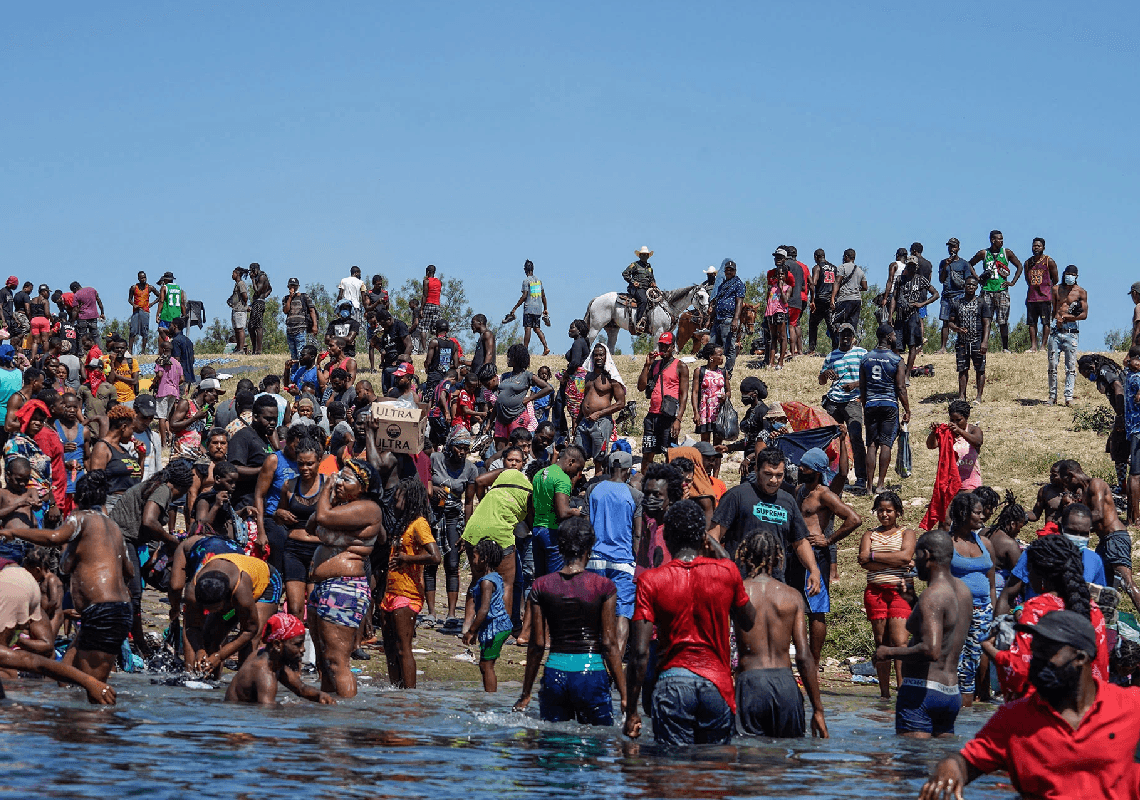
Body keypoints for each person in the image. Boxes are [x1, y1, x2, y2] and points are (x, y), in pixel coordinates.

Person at [919, 610, 1140, 800]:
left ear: (1080, 657)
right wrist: (950, 767)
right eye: (1035, 654)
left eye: (1046, 654)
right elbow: (967, 762)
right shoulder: (1014, 719)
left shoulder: (1132, 707)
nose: (1035, 663)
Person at [623, 500, 756, 744]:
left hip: (672, 684)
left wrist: (632, 710)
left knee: (672, 762)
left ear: (667, 537)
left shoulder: (651, 580)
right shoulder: (727, 572)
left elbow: (640, 653)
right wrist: (721, 554)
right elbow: (748, 621)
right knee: (714, 762)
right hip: (716, 685)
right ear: (703, 537)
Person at [1, 470, 132, 682]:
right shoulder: (113, 527)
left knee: (93, 686)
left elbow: (54, 537)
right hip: (116, 610)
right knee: (64, 679)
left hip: (102, 612)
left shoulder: (80, 517)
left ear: (78, 498)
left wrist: (14, 532)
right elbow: (130, 571)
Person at [514, 516, 626, 724]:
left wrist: (526, 693)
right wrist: (625, 695)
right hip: (592, 675)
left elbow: (537, 644)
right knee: (597, 740)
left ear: (560, 547)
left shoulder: (542, 585)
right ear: (589, 549)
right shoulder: (603, 586)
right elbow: (609, 644)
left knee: (554, 741)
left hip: (555, 673)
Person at [985, 534, 1110, 703]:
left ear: (1041, 576)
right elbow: (1101, 669)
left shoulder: (1036, 610)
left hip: (1045, 709)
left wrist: (993, 652)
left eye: (1029, 571)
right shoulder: (1094, 610)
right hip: (1089, 707)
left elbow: (1020, 673)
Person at [875, 530, 972, 738]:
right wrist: (913, 602)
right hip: (951, 693)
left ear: (926, 555)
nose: (913, 563)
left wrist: (887, 652)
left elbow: (931, 650)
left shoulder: (933, 595)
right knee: (942, 757)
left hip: (921, 691)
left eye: (916, 555)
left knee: (914, 758)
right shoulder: (963, 591)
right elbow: (944, 629)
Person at [735, 529, 828, 738]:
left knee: (748, 754)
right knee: (788, 753)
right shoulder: (792, 596)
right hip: (786, 685)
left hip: (751, 683)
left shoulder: (738, 592)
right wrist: (818, 709)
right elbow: (803, 656)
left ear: (744, 557)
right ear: (778, 557)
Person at [307, 459, 383, 697]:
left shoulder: (368, 508)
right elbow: (311, 525)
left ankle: (347, 715)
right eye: (338, 477)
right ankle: (328, 710)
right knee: (323, 661)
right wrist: (332, 500)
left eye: (346, 479)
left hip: (344, 588)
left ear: (363, 487)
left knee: (337, 661)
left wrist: (326, 489)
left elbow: (321, 517)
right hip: (324, 587)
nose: (338, 482)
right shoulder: (341, 508)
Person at [709, 446, 822, 594]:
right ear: (756, 470)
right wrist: (721, 567)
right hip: (739, 583)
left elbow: (800, 541)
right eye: (768, 474)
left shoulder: (788, 501)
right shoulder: (737, 496)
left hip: (775, 584)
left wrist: (813, 570)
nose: (774, 480)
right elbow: (713, 535)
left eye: (779, 475)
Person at [796, 447, 861, 666]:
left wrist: (829, 540)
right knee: (797, 606)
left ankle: (814, 663)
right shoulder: (800, 490)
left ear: (816, 471)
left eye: (805, 467)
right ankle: (801, 657)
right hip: (797, 552)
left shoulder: (824, 494)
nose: (800, 469)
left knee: (816, 609)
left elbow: (854, 519)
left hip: (816, 554)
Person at [183, 548, 283, 677]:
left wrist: (219, 656)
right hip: (230, 579)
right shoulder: (192, 591)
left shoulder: (240, 592)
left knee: (251, 641)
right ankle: (212, 681)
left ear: (227, 600)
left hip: (267, 582)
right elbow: (191, 627)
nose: (211, 612)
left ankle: (245, 682)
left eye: (215, 608)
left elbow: (250, 630)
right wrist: (199, 650)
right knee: (210, 637)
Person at [1057, 460, 1140, 610]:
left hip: (1115, 537)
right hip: (1104, 541)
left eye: (1065, 481)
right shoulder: (1084, 492)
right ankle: (1105, 619)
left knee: (1126, 582)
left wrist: (1076, 521)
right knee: (1104, 588)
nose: (1066, 486)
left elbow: (1099, 513)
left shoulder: (1096, 484)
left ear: (1071, 475)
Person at [381, 478, 440, 689]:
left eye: (398, 499)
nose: (394, 503)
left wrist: (407, 559)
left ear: (409, 500)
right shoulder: (402, 524)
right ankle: (395, 692)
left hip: (408, 593)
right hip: (391, 592)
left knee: (403, 647)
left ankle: (409, 696)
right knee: (389, 648)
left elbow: (435, 556)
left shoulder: (419, 524)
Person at [858, 491, 917, 698]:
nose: (884, 514)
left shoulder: (907, 533)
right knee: (881, 643)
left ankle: (902, 691)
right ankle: (884, 695)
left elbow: (906, 556)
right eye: (880, 510)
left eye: (889, 511)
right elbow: (863, 560)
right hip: (875, 592)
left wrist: (874, 555)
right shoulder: (869, 534)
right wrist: (896, 560)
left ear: (898, 512)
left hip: (901, 592)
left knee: (900, 643)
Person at [945, 493, 996, 707]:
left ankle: (966, 711)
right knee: (954, 660)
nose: (982, 516)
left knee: (971, 663)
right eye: (977, 512)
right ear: (963, 513)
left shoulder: (984, 543)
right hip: (956, 610)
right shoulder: (947, 543)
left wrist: (993, 614)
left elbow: (991, 583)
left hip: (983, 611)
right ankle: (949, 709)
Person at [426, 428, 478, 629]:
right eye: (458, 447)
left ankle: (451, 614)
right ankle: (431, 613)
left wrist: (467, 531)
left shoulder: (470, 469)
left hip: (453, 518)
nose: (462, 452)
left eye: (465, 448)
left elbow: (469, 503)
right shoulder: (435, 459)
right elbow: (424, 481)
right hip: (433, 516)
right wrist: (433, 490)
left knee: (453, 564)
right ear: (450, 446)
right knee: (431, 563)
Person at [224, 612, 334, 705]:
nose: (303, 649)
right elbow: (267, 714)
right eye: (298, 644)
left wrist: (320, 695)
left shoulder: (269, 658)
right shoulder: (264, 674)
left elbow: (300, 688)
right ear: (277, 644)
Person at [820, 322, 869, 493]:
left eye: (849, 334)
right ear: (838, 336)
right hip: (833, 401)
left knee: (855, 437)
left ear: (853, 337)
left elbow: (870, 376)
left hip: (853, 401)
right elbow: (821, 380)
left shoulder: (862, 353)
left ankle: (861, 477)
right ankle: (835, 475)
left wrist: (855, 385)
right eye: (843, 334)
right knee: (831, 439)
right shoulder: (831, 356)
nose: (846, 337)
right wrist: (825, 374)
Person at [460, 538, 513, 692]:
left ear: (485, 559)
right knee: (486, 664)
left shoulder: (486, 582)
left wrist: (471, 631)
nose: (473, 560)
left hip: (496, 627)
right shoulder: (495, 576)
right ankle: (489, 696)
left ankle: (490, 699)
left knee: (486, 665)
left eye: (475, 557)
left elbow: (483, 610)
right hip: (495, 626)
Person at [636, 331, 688, 466]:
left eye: (666, 346)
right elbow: (640, 387)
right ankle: (646, 479)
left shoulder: (681, 366)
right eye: (661, 346)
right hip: (652, 417)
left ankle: (669, 479)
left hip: (669, 417)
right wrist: (647, 365)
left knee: (670, 455)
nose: (663, 348)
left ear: (673, 347)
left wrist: (678, 419)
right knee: (647, 455)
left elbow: (684, 395)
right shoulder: (654, 365)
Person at [968, 230, 1023, 353]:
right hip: (987, 290)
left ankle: (1005, 348)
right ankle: (983, 346)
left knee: (1003, 321)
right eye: (999, 239)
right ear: (993, 240)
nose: (1001, 241)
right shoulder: (984, 253)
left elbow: (1019, 266)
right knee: (985, 319)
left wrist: (1012, 282)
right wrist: (977, 278)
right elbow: (969, 264)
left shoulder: (1006, 252)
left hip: (1002, 290)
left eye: (1002, 239)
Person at [574, 342, 626, 467]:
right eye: (596, 355)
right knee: (578, 455)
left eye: (601, 355)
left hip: (602, 422)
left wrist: (599, 413)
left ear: (606, 357)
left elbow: (621, 403)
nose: (598, 358)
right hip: (585, 421)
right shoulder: (588, 376)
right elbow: (584, 399)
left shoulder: (611, 378)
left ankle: (598, 477)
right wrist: (577, 420)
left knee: (599, 459)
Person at [890, 255, 939, 379]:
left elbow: (935, 294)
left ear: (916, 267)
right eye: (909, 266)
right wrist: (890, 315)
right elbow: (894, 297)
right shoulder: (900, 279)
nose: (911, 268)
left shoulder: (921, 280)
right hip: (900, 316)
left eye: (913, 266)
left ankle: (907, 375)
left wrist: (922, 304)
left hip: (913, 315)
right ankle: (903, 368)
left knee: (912, 345)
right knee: (896, 345)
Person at [495, 343, 552, 447]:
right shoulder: (505, 376)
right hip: (501, 417)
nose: (508, 359)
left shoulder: (527, 375)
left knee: (517, 446)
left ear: (517, 359)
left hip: (517, 416)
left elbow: (548, 388)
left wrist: (530, 398)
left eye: (510, 357)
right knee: (500, 447)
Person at [925, 399, 984, 496]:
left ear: (966, 417)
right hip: (950, 483)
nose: (955, 423)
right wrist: (934, 432)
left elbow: (978, 442)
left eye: (958, 420)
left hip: (970, 482)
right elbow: (931, 445)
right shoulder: (947, 433)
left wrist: (960, 431)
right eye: (952, 420)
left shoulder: (973, 430)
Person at [1049, 264, 1087, 406]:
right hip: (1056, 330)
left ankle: (1068, 397)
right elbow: (1053, 309)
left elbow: (1084, 314)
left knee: (1070, 366)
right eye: (1067, 274)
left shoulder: (1081, 292)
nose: (1069, 277)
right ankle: (1052, 396)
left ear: (1076, 276)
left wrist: (1067, 317)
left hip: (1071, 331)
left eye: (1072, 275)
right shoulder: (1056, 289)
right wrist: (1054, 321)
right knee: (1052, 365)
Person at [934, 238, 976, 353]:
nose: (951, 249)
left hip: (959, 295)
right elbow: (941, 280)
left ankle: (962, 346)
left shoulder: (964, 263)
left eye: (954, 246)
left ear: (958, 248)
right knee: (945, 321)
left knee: (961, 321)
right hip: (947, 295)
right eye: (950, 247)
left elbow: (968, 280)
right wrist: (945, 266)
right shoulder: (943, 262)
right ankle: (943, 347)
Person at [1020, 237, 1059, 353]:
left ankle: (1043, 346)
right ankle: (1033, 346)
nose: (1036, 248)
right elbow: (1027, 279)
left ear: (1043, 248)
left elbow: (1055, 279)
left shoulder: (1048, 261)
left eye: (1038, 246)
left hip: (1045, 297)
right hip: (1032, 297)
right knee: (1032, 323)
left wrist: (1046, 288)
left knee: (1046, 322)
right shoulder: (1028, 263)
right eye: (1034, 246)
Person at [505, 259, 550, 355]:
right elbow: (543, 296)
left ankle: (525, 350)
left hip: (529, 308)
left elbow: (524, 295)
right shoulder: (538, 281)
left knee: (528, 328)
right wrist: (545, 308)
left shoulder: (526, 281)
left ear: (525, 269)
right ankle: (546, 347)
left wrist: (515, 307)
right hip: (538, 308)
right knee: (537, 328)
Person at [709, 258, 746, 376]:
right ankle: (713, 370)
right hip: (718, 319)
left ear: (735, 271)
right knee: (712, 347)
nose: (729, 272)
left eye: (731, 270)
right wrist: (710, 318)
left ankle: (727, 372)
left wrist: (735, 319)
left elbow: (739, 302)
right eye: (727, 270)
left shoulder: (738, 284)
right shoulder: (722, 285)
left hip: (729, 319)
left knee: (729, 348)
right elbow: (717, 302)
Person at [691, 342, 728, 447]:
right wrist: (696, 412)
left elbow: (728, 391)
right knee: (705, 444)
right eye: (720, 355)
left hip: (719, 412)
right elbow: (695, 392)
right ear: (711, 357)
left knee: (718, 445)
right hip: (705, 412)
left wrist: (726, 396)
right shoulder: (700, 371)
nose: (722, 358)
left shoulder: (723, 372)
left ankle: (717, 459)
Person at [764, 248, 794, 369]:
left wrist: (781, 288)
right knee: (773, 337)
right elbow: (769, 298)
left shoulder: (788, 286)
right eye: (778, 274)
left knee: (782, 336)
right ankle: (771, 361)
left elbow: (785, 300)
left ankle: (780, 361)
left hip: (781, 311)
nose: (780, 276)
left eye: (782, 274)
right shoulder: (772, 285)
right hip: (771, 312)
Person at [373, 309, 412, 393]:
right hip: (387, 365)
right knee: (386, 392)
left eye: (383, 324)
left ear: (389, 319)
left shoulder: (399, 326)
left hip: (398, 366)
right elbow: (377, 345)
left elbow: (409, 345)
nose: (383, 326)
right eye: (381, 324)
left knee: (396, 391)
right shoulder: (384, 330)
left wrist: (401, 363)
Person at [807, 248, 837, 355]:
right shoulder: (834, 268)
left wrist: (812, 299)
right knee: (831, 324)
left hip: (820, 298)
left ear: (816, 257)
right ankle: (835, 348)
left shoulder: (817, 267)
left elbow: (814, 283)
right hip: (831, 299)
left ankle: (811, 348)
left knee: (813, 323)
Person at [830, 248, 867, 332]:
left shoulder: (842, 267)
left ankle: (840, 339)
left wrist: (832, 298)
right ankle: (852, 339)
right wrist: (855, 288)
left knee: (838, 325)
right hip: (857, 300)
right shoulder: (860, 270)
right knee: (852, 327)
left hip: (845, 299)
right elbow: (865, 287)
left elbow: (837, 282)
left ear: (846, 257)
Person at [622, 246, 656, 334]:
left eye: (646, 255)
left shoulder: (649, 268)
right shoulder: (635, 265)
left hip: (647, 289)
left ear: (648, 256)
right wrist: (633, 282)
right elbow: (625, 273)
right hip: (636, 289)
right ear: (639, 256)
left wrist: (653, 283)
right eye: (643, 255)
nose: (644, 256)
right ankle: (638, 323)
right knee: (643, 300)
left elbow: (652, 279)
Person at [423, 319, 459, 400]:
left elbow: (428, 361)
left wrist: (427, 368)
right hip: (447, 376)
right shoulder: (454, 345)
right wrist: (446, 366)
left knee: (431, 399)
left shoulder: (434, 342)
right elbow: (456, 365)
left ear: (436, 329)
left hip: (434, 376)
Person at [282, 277, 317, 360]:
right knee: (293, 355)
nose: (293, 288)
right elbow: (286, 310)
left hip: (300, 329)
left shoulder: (304, 297)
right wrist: (290, 298)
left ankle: (302, 367)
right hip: (290, 329)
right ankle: (294, 368)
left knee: (301, 353)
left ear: (298, 286)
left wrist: (315, 325)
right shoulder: (286, 298)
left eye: (295, 286)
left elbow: (312, 310)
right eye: (291, 286)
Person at [127, 271, 158, 355]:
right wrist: (133, 304)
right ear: (138, 279)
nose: (143, 279)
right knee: (133, 330)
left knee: (145, 331)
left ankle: (143, 351)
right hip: (136, 311)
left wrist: (152, 303)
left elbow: (159, 296)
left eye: (144, 277)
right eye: (141, 278)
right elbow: (129, 299)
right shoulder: (134, 288)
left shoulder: (150, 287)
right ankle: (130, 350)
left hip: (145, 311)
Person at [247, 262, 271, 355]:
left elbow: (257, 290)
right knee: (251, 327)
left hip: (259, 303)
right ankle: (255, 348)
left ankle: (258, 350)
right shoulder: (262, 277)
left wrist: (253, 280)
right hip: (257, 302)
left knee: (258, 327)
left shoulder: (262, 277)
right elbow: (270, 289)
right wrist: (265, 295)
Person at [155, 271, 187, 335]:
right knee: (175, 335)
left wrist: (157, 314)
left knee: (163, 334)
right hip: (176, 316)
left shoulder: (164, 287)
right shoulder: (179, 288)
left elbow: (161, 301)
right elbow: (182, 303)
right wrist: (184, 315)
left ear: (166, 279)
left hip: (166, 315)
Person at [227, 266, 251, 355]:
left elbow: (245, 296)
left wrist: (244, 305)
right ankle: (238, 348)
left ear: (237, 274)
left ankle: (241, 349)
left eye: (233, 273)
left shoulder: (241, 284)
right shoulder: (237, 284)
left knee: (240, 329)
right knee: (236, 329)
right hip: (236, 309)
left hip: (240, 310)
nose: (232, 275)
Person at [419, 264, 443, 343]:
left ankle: (424, 348)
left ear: (427, 272)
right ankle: (437, 345)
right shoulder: (439, 282)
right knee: (436, 328)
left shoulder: (426, 281)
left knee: (423, 328)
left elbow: (425, 295)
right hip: (437, 306)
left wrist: (421, 309)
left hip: (428, 304)